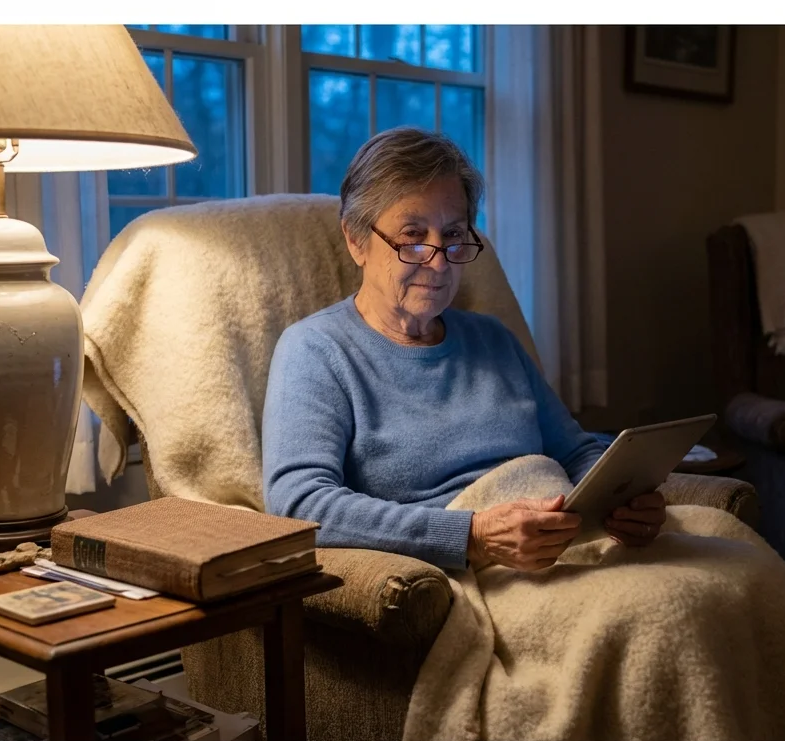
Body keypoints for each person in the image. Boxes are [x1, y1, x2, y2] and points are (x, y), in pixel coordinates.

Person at [262, 127, 662, 571]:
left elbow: (577, 452)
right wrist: (469, 537)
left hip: (563, 548)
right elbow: (298, 503)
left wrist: (623, 500)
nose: (438, 261)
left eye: (453, 235)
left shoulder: (493, 339)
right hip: (478, 570)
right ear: (356, 240)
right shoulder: (316, 350)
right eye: (413, 237)